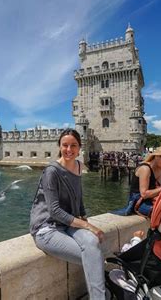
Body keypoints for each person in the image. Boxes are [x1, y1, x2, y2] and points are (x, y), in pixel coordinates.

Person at [30, 128, 106, 299]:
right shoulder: (51, 171)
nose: (69, 150)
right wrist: (88, 225)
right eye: (65, 145)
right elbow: (54, 211)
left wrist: (83, 216)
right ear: (59, 146)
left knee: (93, 244)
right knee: (94, 256)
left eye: (73, 145)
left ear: (80, 147)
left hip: (69, 224)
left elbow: (78, 197)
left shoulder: (79, 166)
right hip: (47, 228)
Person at [128, 146, 161, 217]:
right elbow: (144, 194)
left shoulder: (160, 169)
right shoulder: (145, 169)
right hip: (138, 201)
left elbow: (158, 188)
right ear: (157, 156)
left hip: (150, 200)